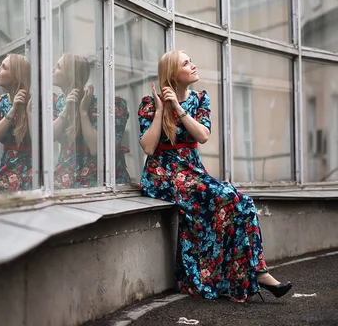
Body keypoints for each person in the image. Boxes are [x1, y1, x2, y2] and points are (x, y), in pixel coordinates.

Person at [137, 50, 292, 302]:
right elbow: (148, 147)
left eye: (191, 60)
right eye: (186, 63)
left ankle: (256, 271)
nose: (193, 65)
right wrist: (160, 111)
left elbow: (203, 136)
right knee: (227, 198)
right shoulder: (150, 101)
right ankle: (256, 274)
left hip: (191, 171)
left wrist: (177, 107)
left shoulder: (200, 99)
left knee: (244, 202)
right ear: (173, 74)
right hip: (164, 173)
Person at [52, 53, 130, 189]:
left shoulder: (104, 105)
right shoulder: (57, 103)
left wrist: (83, 112)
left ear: (70, 74)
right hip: (66, 178)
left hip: (99, 181)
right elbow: (48, 138)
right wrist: (66, 110)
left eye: (58, 67)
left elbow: (95, 149)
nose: (53, 70)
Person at [0, 54, 32, 194]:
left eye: (4, 67)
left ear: (16, 76)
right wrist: (13, 111)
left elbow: (41, 141)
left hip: (31, 171)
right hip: (6, 169)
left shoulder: (34, 101)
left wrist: (28, 108)